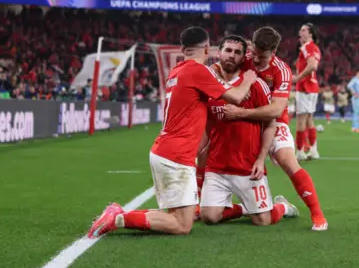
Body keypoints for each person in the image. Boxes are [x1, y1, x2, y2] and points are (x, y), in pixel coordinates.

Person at [88, 27, 257, 238]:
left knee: (176, 216)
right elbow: (237, 97)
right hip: (176, 156)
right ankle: (118, 218)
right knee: (181, 225)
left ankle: (119, 215)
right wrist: (249, 78)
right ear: (207, 48)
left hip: (165, 151)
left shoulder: (176, 71)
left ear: (182, 49)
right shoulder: (198, 71)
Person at [221, 27, 328, 231]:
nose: (258, 60)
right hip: (243, 120)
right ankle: (209, 203)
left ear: (274, 51)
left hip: (272, 121)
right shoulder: (244, 59)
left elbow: (277, 110)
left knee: (288, 161)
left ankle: (317, 213)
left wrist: (241, 113)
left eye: (264, 56)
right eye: (256, 54)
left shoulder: (281, 70)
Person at [198, 35, 299, 226]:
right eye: (228, 50)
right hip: (217, 168)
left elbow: (270, 123)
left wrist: (261, 160)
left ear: (245, 57)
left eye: (237, 53)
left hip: (247, 167)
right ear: (218, 53)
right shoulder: (209, 84)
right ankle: (246, 208)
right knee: (209, 217)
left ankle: (282, 206)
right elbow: (205, 125)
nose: (231, 56)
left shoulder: (256, 85)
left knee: (263, 221)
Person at [293, 23, 321, 161]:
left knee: (300, 120)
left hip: (305, 87)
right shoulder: (315, 48)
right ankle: (314, 150)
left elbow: (312, 65)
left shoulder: (307, 47)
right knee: (309, 119)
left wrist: (297, 78)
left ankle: (299, 152)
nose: (300, 32)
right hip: (313, 87)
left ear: (310, 34)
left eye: (303, 30)